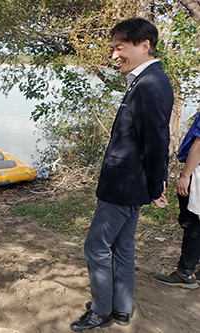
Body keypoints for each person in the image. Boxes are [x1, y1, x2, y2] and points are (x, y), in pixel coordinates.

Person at [70, 18, 173, 331]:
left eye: (120, 47)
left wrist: (156, 187)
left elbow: (157, 141)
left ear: (144, 45)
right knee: (123, 247)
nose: (114, 55)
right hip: (131, 184)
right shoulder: (147, 80)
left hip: (125, 186)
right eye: (113, 48)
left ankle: (101, 310)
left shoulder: (151, 84)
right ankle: (122, 309)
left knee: (96, 246)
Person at [154, 113, 200, 289]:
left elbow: (198, 145)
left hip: (197, 171)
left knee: (192, 222)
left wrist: (186, 175)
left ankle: (185, 273)